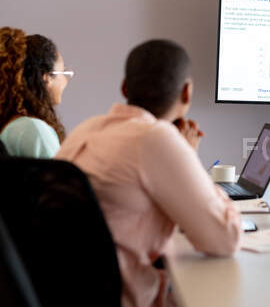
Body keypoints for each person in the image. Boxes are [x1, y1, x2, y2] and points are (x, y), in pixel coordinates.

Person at [56, 39, 242, 307]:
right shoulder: (155, 138)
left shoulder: (87, 128)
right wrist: (188, 156)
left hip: (63, 292)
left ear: (124, 87)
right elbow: (225, 240)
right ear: (187, 92)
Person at [0, 27, 71, 158]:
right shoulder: (32, 129)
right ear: (47, 78)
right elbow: (59, 177)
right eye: (63, 72)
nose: (66, 81)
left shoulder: (12, 125)